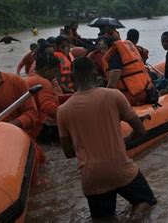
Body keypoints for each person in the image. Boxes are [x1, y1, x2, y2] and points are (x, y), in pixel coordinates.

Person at [57, 57, 157, 220]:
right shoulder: (114, 96)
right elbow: (140, 130)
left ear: (72, 79)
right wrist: (122, 142)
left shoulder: (63, 110)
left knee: (104, 218)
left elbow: (68, 152)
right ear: (96, 75)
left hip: (92, 177)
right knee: (146, 201)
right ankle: (135, 217)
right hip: (121, 168)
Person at [102, 36, 157, 106]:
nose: (101, 52)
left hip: (131, 97)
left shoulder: (114, 59)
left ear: (110, 47)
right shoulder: (126, 54)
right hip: (145, 92)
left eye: (103, 49)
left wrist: (102, 98)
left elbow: (112, 85)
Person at [25, 54, 60, 143]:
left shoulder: (30, 79)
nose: (55, 75)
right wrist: (67, 117)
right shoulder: (42, 82)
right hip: (33, 129)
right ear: (45, 70)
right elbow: (48, 108)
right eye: (55, 71)